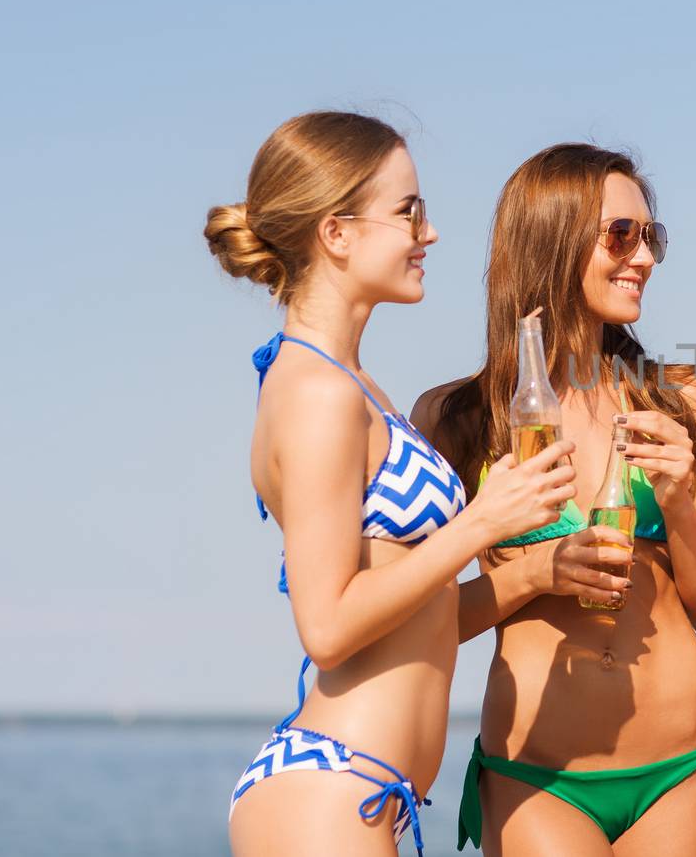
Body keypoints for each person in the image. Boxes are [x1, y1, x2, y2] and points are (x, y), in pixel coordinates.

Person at [209, 112, 575, 856]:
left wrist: (537, 570)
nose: (429, 234)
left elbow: (419, 613)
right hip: (328, 795)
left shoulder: (354, 384)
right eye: (409, 212)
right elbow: (330, 627)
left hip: (365, 794)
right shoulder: (318, 393)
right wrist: (481, 524)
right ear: (336, 233)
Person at [414, 143, 696, 857]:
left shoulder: (688, 397)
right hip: (537, 777)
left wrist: (681, 501)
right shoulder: (460, 419)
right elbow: (422, 622)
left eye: (649, 237)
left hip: (682, 770)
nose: (645, 257)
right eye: (621, 236)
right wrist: (536, 574)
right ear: (551, 238)